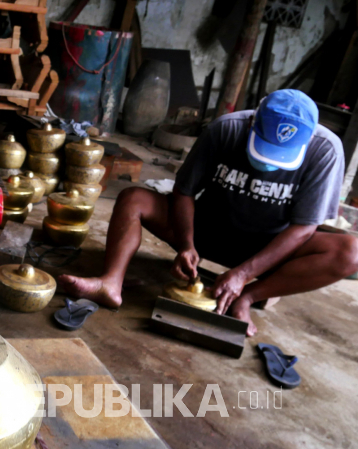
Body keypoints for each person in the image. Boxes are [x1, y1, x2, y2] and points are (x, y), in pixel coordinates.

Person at [59, 89, 358, 336]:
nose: (270, 162)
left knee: (351, 252)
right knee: (133, 199)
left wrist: (244, 275)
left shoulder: (326, 151)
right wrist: (187, 244)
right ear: (254, 123)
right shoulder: (226, 129)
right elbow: (184, 192)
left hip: (269, 247)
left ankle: (248, 297)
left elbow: (304, 228)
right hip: (208, 229)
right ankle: (110, 282)